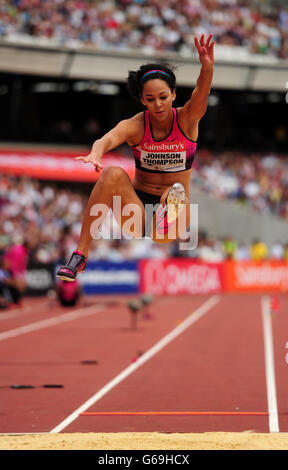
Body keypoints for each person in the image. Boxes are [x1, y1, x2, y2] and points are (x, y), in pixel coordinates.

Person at [57, 34, 214, 281]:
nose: (158, 105)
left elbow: (201, 95)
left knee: (173, 191)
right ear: (142, 100)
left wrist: (207, 68)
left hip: (174, 213)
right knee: (112, 173)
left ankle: (166, 213)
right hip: (137, 212)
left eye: (163, 97)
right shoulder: (136, 125)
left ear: (173, 95)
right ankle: (80, 254)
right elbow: (107, 139)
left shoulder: (187, 119)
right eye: (150, 100)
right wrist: (96, 153)